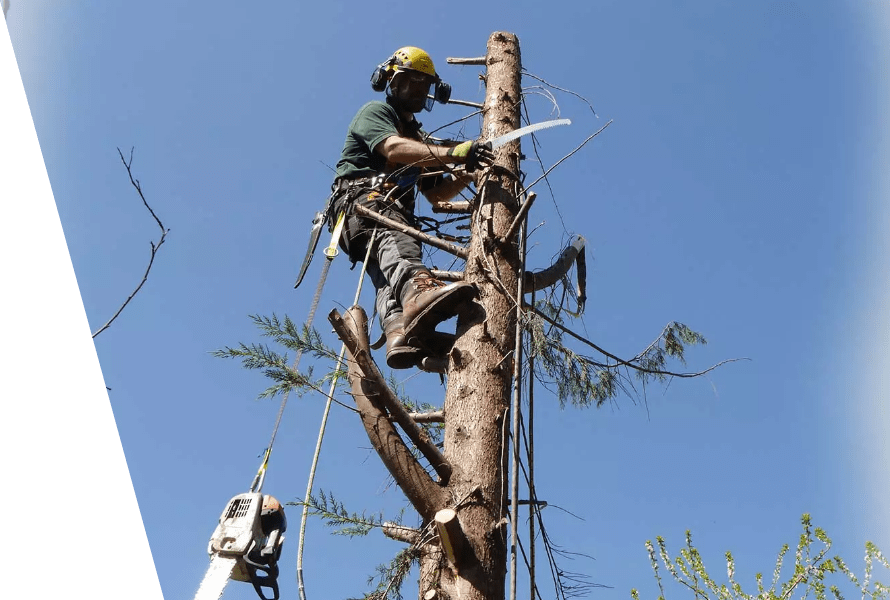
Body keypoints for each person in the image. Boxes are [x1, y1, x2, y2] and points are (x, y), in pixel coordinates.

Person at [330, 46, 494, 370]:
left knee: (387, 274)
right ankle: (419, 293)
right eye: (410, 83)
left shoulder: (418, 138)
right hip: (366, 205)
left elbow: (437, 194)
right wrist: (454, 151)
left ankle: (399, 333)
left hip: (375, 217)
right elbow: (392, 148)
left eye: (423, 86)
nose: (417, 92)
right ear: (391, 82)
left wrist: (467, 172)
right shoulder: (376, 113)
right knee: (396, 241)